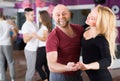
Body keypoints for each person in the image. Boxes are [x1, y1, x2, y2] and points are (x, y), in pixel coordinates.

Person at [79, 5, 118, 81]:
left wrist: (88, 66)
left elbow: (107, 61)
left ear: (100, 23)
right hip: (91, 76)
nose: (88, 17)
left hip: (102, 78)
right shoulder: (86, 28)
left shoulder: (101, 40)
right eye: (90, 14)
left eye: (92, 18)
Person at [46, 4, 84, 81]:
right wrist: (67, 68)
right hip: (60, 76)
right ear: (53, 17)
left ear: (69, 14)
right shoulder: (52, 37)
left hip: (76, 72)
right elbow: (51, 65)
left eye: (64, 13)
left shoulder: (79, 29)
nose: (61, 17)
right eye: (57, 15)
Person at [21, 8, 39, 81]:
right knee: (31, 70)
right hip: (30, 50)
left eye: (33, 14)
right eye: (31, 15)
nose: (33, 16)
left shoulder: (33, 23)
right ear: (26, 15)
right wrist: (32, 35)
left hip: (36, 49)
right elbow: (25, 40)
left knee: (35, 68)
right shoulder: (25, 26)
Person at [34, 11, 52, 81]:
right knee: (46, 66)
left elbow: (45, 39)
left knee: (37, 66)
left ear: (43, 17)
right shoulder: (43, 26)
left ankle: (45, 79)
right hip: (45, 49)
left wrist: (36, 36)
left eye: (39, 16)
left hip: (42, 49)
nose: (38, 18)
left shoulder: (44, 27)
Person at [0, 12, 18, 81]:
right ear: (2, 15)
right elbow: (14, 34)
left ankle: (2, 79)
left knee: (1, 63)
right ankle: (12, 79)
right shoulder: (8, 23)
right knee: (10, 62)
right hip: (7, 44)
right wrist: (11, 39)